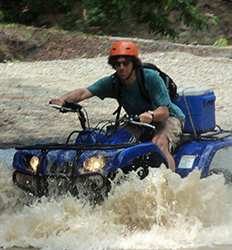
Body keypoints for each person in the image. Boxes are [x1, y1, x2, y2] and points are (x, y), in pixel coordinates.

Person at [49, 40, 185, 171]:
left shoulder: (150, 78)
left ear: (134, 64)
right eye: (117, 64)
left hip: (168, 118)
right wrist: (63, 100)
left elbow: (164, 111)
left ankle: (169, 182)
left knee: (159, 144)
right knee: (114, 143)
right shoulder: (114, 82)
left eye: (125, 63)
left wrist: (150, 115)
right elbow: (85, 92)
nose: (121, 68)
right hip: (137, 120)